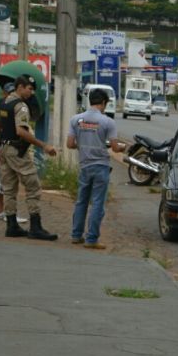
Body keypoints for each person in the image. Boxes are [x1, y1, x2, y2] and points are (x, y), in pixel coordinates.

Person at [0, 73, 58, 240]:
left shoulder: (3, 102)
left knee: (9, 188)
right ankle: (35, 226)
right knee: (33, 186)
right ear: (20, 87)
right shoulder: (21, 106)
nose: (31, 93)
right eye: (29, 89)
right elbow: (21, 131)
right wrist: (44, 145)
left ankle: (11, 225)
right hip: (17, 150)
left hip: (5, 149)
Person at [66, 88, 125, 249]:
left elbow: (70, 144)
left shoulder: (76, 119)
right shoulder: (108, 122)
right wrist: (122, 148)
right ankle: (91, 239)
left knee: (81, 201)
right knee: (97, 203)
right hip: (100, 166)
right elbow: (114, 147)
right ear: (104, 103)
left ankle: (76, 235)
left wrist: (84, 147)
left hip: (84, 165)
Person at [0, 81, 26, 223]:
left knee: (7, 178)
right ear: (4, 93)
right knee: (3, 178)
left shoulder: (7, 105)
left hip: (3, 146)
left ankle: (4, 210)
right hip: (2, 146)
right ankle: (2, 211)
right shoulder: (0, 107)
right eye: (8, 92)